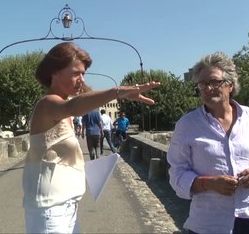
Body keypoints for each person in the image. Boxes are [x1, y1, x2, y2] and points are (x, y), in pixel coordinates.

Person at [22, 41, 160, 234]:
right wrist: (118, 92)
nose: (81, 79)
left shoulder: (63, 105)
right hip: (50, 209)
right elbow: (73, 106)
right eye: (76, 73)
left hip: (66, 206)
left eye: (83, 74)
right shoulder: (48, 104)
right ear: (54, 72)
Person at [167, 52, 249, 234]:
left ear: (230, 85)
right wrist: (209, 183)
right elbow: (176, 174)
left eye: (214, 82)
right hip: (207, 224)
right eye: (203, 84)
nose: (208, 88)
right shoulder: (187, 125)